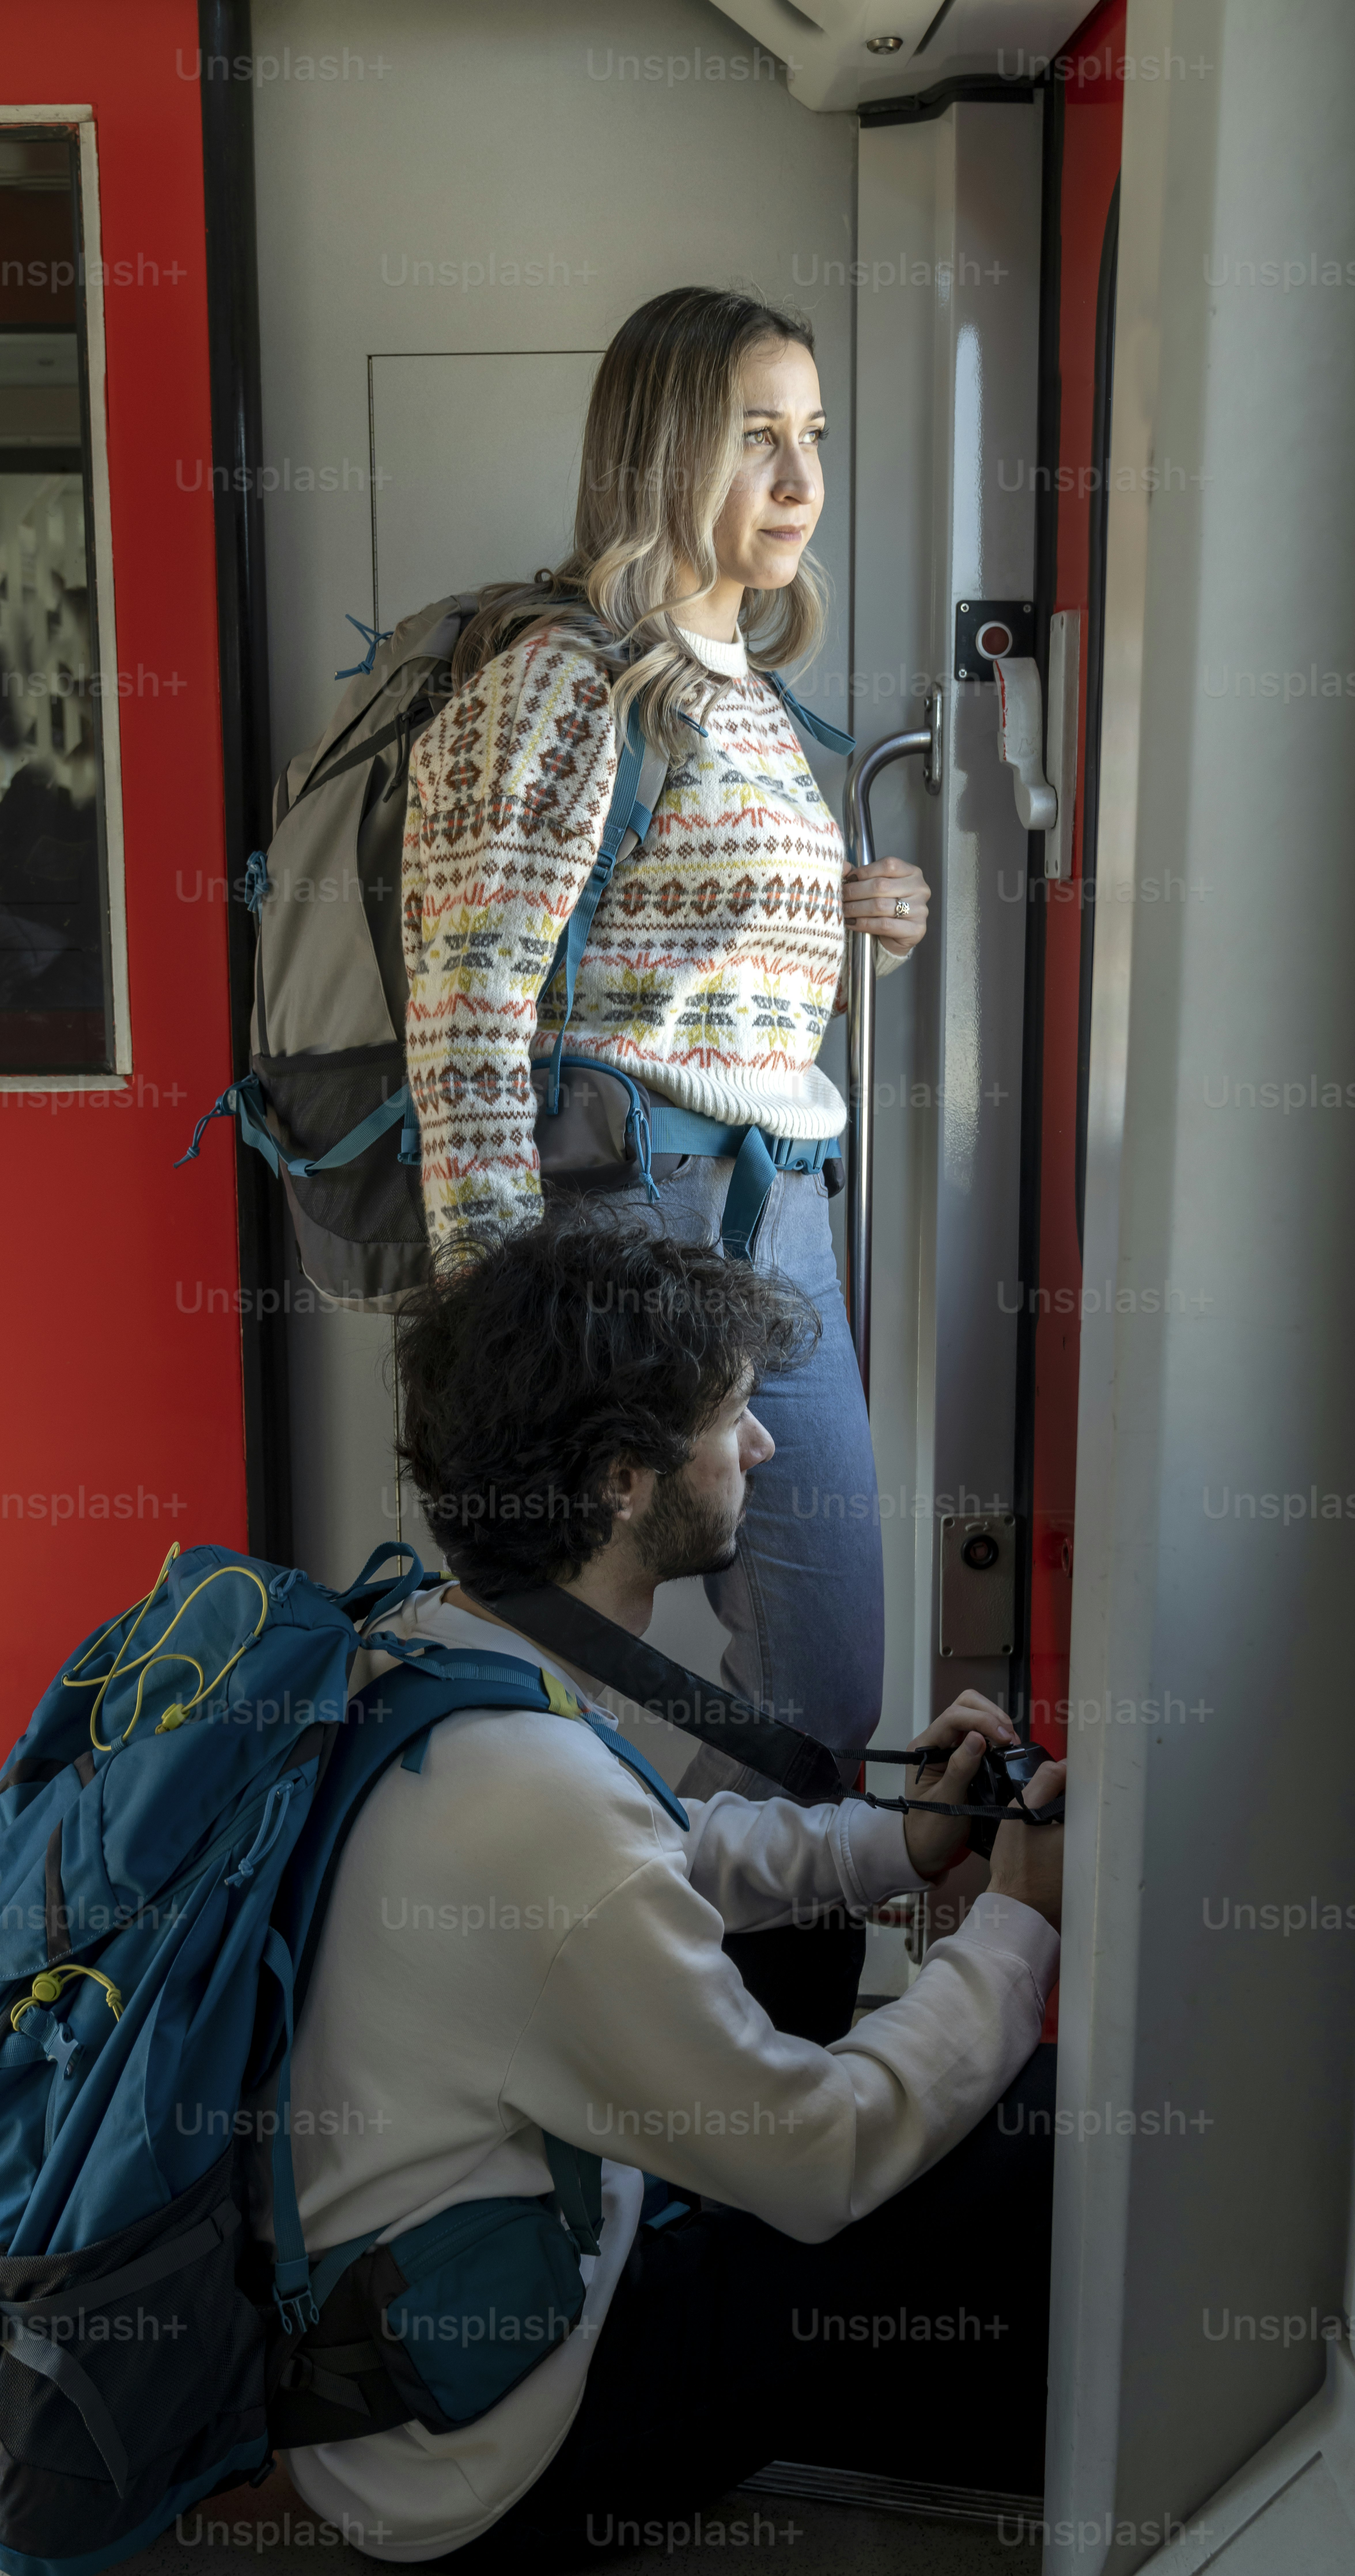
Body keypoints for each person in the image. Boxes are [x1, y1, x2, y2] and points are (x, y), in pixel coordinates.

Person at [280, 1216, 1064, 2576]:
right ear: (627, 1479)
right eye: (735, 1420)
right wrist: (1016, 1923)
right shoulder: (544, 1809)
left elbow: (659, 1840)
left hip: (383, 2366)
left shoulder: (417, 1648)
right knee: (1027, 2115)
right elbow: (821, 2161)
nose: (760, 1448)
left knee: (859, 2046)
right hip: (495, 2471)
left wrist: (895, 1849)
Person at [401, 288, 928, 1902]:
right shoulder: (565, 673)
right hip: (635, 1225)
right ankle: (609, 1988)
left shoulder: (743, 684)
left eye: (815, 437)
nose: (802, 477)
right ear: (662, 452)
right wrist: (502, 1332)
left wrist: (859, 931)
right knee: (588, 1665)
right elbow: (468, 1010)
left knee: (818, 1691)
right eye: (757, 436)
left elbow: (690, 982)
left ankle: (685, 2020)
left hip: (773, 1220)